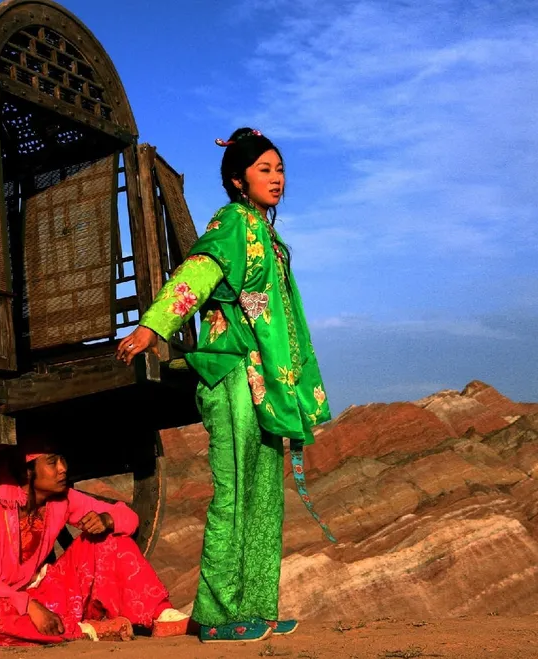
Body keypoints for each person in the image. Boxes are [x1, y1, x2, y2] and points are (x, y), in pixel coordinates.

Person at [116, 127, 335, 643]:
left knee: (264, 495)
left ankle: (256, 606)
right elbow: (200, 270)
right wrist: (155, 326)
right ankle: (214, 615)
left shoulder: (268, 234)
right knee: (234, 490)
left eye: (279, 169)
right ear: (238, 181)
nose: (277, 178)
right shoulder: (232, 223)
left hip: (266, 379)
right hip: (233, 368)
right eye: (265, 170)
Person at [0, 440, 189, 645]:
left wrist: (107, 520)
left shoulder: (62, 501)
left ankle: (161, 615)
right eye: (52, 462)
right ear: (26, 471)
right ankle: (84, 631)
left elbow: (129, 518)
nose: (63, 468)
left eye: (62, 460)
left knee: (110, 539)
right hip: (5, 604)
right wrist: (28, 605)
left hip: (46, 598)